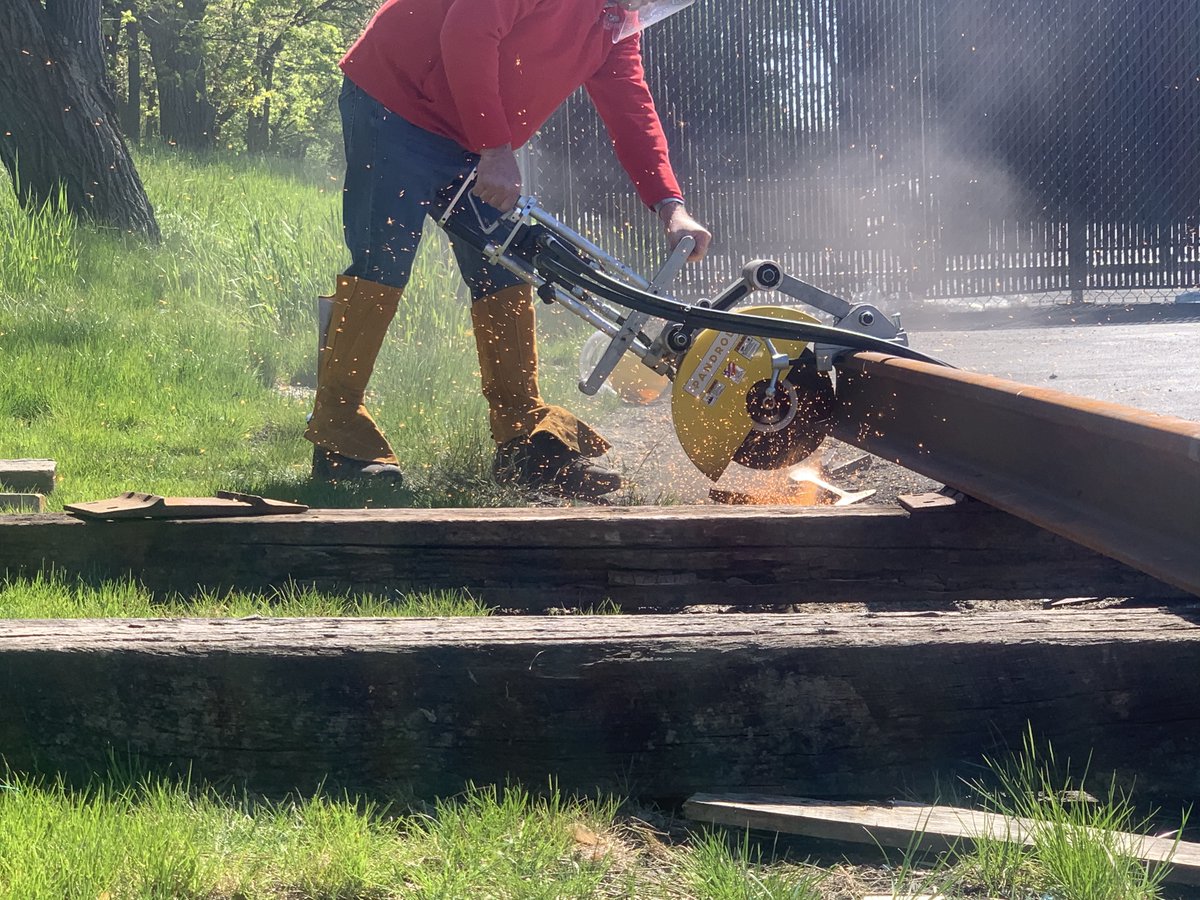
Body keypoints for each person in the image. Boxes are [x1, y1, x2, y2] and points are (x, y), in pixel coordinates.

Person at [306, 0, 712, 500]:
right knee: (382, 263)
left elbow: (631, 105)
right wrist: (495, 146)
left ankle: (523, 441)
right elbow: (467, 31)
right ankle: (338, 436)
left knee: (506, 267)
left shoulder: (615, 19)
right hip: (395, 103)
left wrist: (670, 204)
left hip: (474, 133)